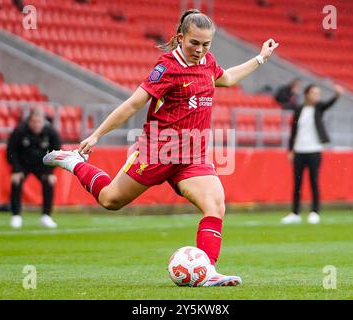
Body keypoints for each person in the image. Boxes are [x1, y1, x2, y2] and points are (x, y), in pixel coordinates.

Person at [43, 9, 279, 286]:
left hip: (192, 156)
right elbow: (133, 103)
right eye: (194, 43)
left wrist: (261, 58)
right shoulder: (167, 67)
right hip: (158, 151)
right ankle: (73, 162)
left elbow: (226, 78)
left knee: (215, 205)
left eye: (206, 45)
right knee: (110, 200)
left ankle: (206, 271)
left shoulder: (207, 62)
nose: (200, 50)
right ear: (181, 38)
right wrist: (96, 135)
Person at [281, 84, 343, 225]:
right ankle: (295, 213)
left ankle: (314, 212)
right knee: (297, 183)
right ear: (307, 94)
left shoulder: (319, 108)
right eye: (314, 93)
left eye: (318, 93)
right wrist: (290, 149)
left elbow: (328, 104)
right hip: (299, 151)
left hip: (314, 151)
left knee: (314, 182)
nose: (316, 96)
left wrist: (337, 95)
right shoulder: (299, 109)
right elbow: (293, 131)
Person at [7, 109, 61, 228]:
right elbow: (11, 151)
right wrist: (16, 170)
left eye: (39, 122)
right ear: (29, 122)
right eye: (34, 122)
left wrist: (50, 171)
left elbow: (56, 152)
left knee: (49, 182)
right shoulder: (19, 131)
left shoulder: (51, 133)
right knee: (16, 182)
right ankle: (16, 215)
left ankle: (46, 216)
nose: (36, 125)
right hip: (22, 163)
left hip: (42, 164)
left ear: (43, 122)